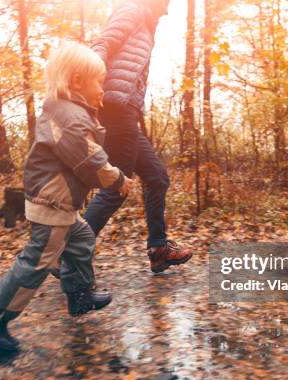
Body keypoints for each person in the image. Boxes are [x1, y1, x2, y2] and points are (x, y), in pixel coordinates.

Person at [0, 41, 135, 352]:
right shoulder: (70, 118)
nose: (102, 87)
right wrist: (119, 181)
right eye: (98, 81)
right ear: (76, 82)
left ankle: (80, 295)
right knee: (35, 264)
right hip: (53, 203)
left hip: (60, 204)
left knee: (82, 237)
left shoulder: (67, 112)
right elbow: (92, 163)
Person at [82, 0, 192, 273]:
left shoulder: (147, 20)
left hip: (125, 108)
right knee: (116, 188)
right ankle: (67, 251)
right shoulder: (131, 9)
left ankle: (158, 249)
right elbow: (103, 43)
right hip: (114, 106)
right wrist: (89, 87)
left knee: (156, 176)